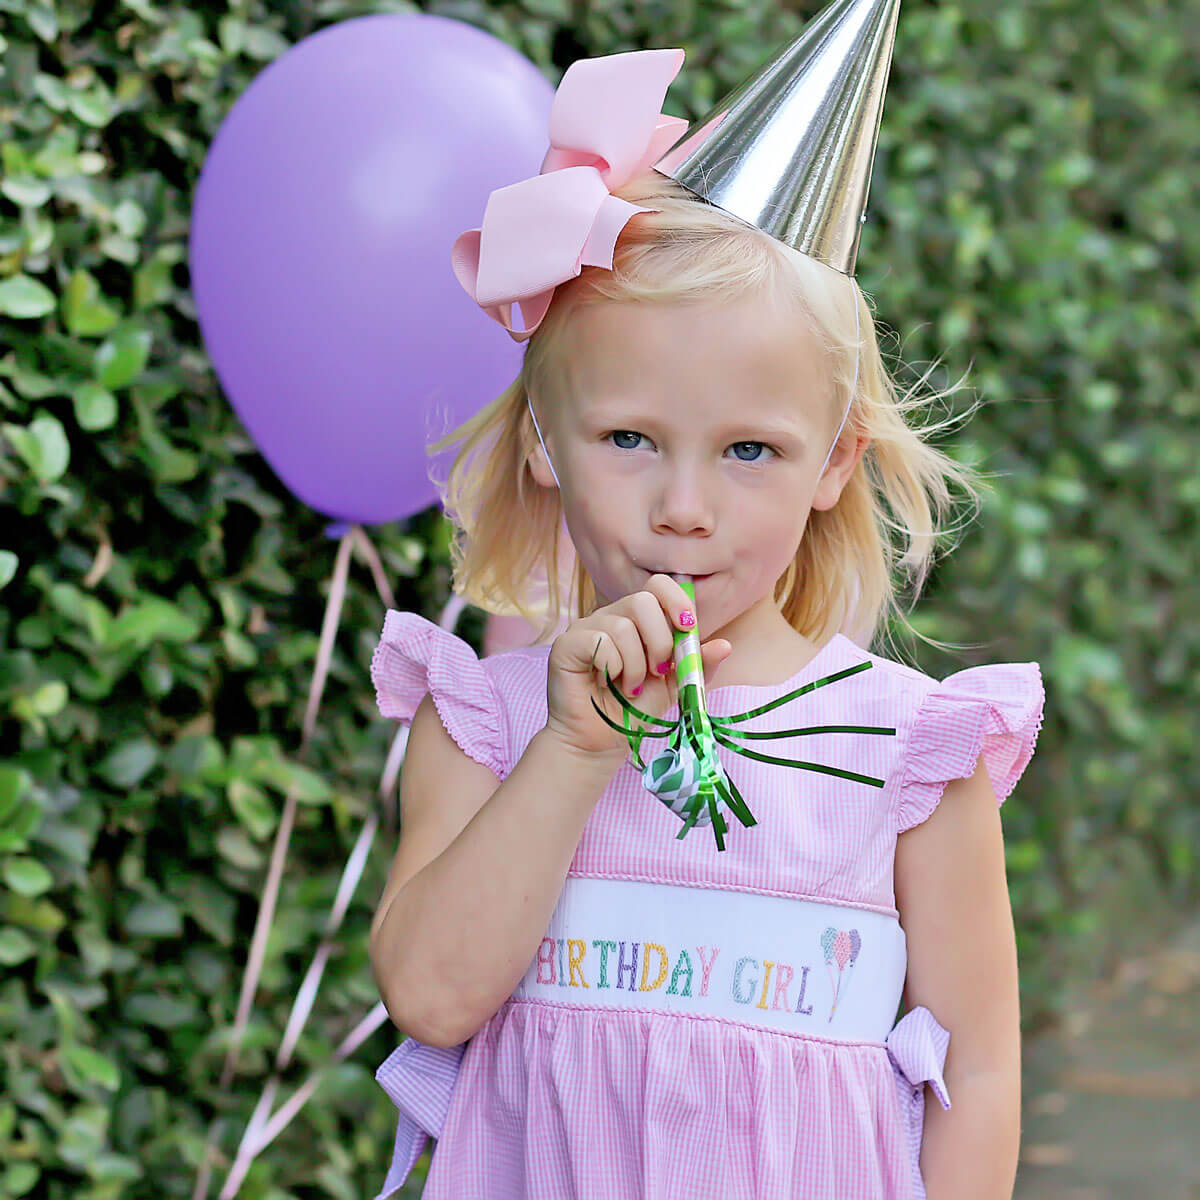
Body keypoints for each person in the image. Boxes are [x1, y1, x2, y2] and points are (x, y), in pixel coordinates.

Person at [368, 12, 1043, 1200]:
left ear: (835, 462)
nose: (685, 508)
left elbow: (978, 1073)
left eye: (749, 451)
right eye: (629, 438)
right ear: (543, 443)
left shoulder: (910, 752)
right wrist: (578, 750)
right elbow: (428, 995)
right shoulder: (487, 719)